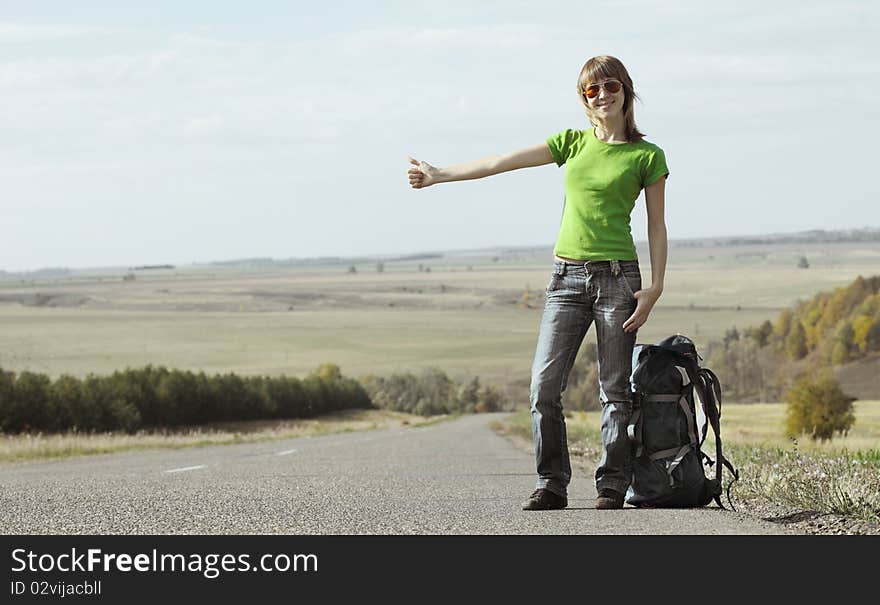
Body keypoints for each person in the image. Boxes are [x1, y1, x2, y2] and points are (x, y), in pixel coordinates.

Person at [407, 55, 668, 511]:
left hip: (618, 279)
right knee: (543, 387)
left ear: (626, 91)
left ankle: (611, 484)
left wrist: (656, 287)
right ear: (583, 99)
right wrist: (439, 175)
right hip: (566, 279)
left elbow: (656, 226)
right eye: (592, 90)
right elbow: (500, 162)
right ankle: (552, 483)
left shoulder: (646, 155)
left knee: (614, 389)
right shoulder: (571, 143)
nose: (602, 95)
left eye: (610, 86)